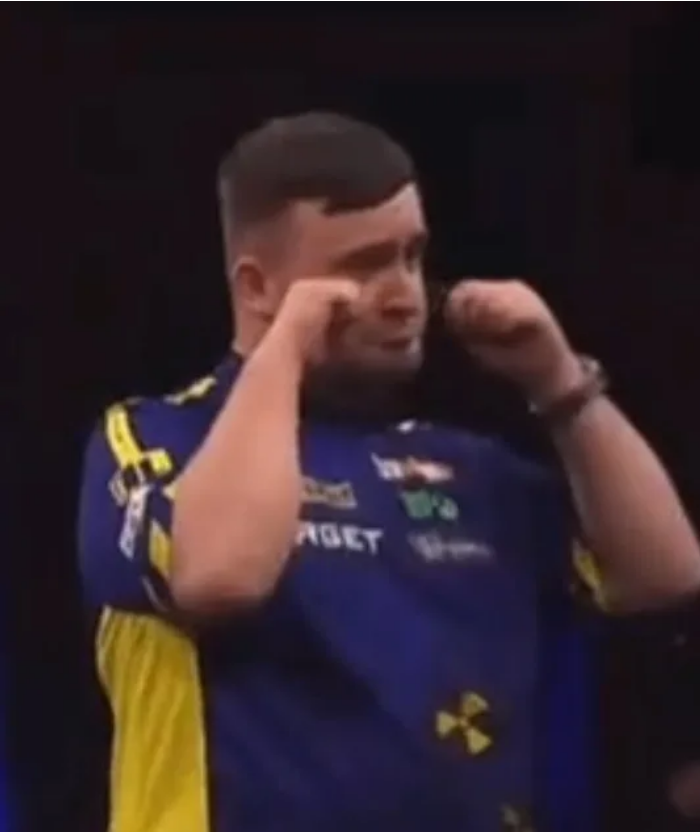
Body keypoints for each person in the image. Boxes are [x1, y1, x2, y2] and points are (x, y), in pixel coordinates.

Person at [78, 112, 700, 832]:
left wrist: (560, 384)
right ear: (256, 287)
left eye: (412, 256)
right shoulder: (156, 438)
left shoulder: (466, 467)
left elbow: (664, 576)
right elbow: (220, 576)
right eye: (362, 266)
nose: (405, 295)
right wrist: (287, 343)